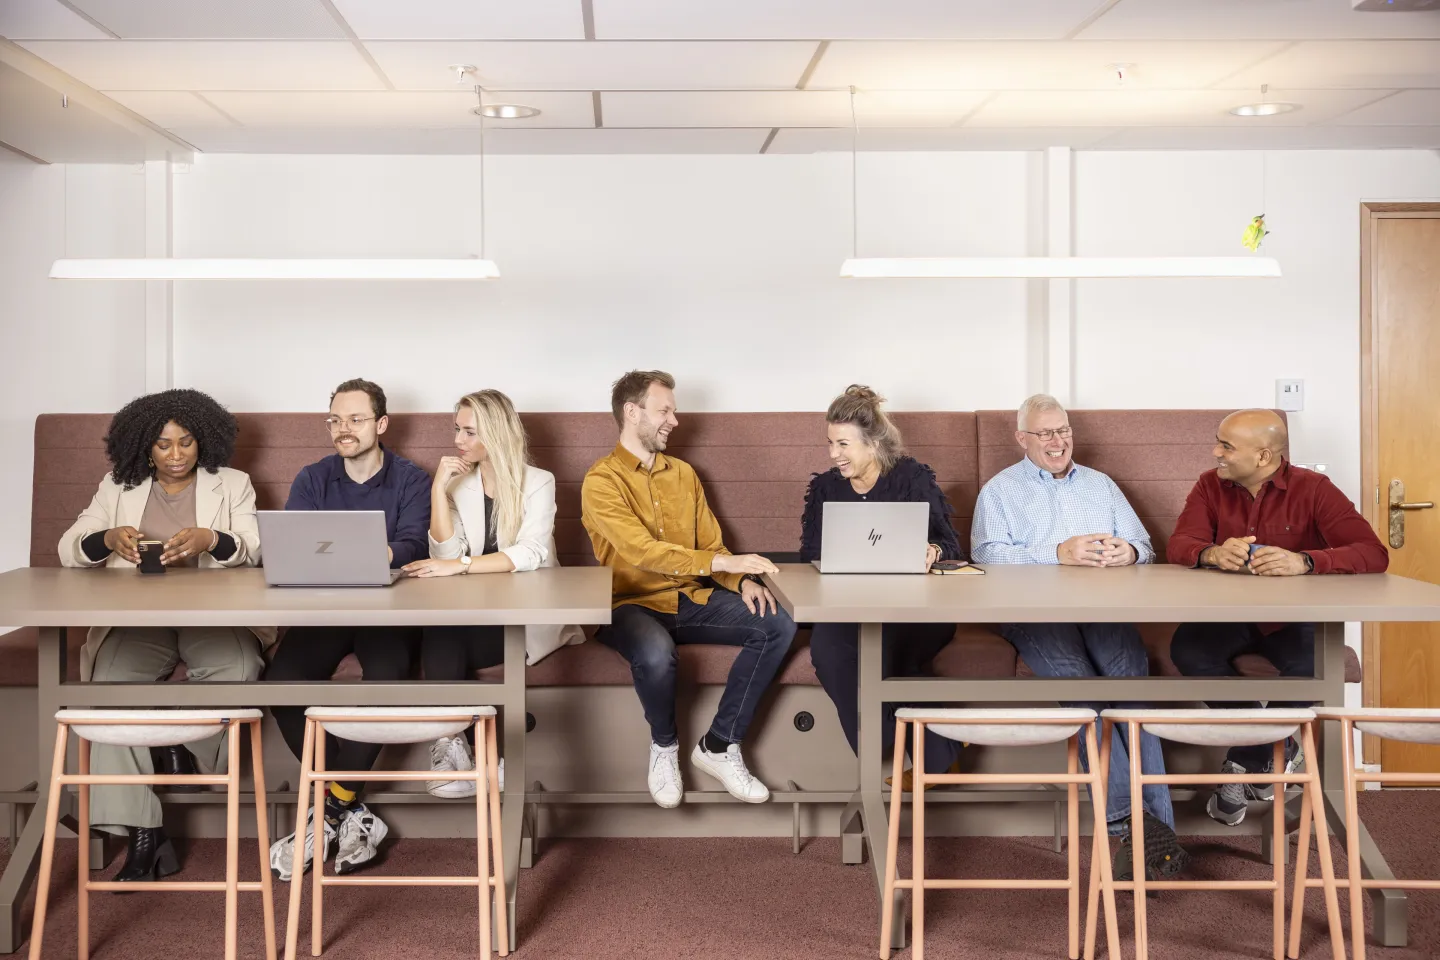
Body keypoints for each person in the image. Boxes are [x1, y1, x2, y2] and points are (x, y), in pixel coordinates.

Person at [971, 394, 1188, 880]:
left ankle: (1152, 831)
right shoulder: (999, 490)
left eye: (1063, 430)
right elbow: (984, 557)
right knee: (1083, 685)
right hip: (1032, 609)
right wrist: (1057, 553)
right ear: (1022, 439)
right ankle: (1132, 826)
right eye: (1045, 433)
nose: (1058, 441)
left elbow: (1146, 547)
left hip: (1103, 604)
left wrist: (1127, 552)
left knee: (1131, 683)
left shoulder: (1101, 485)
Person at [57, 388, 267, 884]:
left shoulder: (233, 483)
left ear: (204, 441)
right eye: (163, 445)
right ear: (144, 447)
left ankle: (182, 753)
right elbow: (69, 547)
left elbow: (254, 550)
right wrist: (107, 538)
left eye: (186, 443)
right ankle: (143, 834)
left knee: (239, 670)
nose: (176, 456)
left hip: (215, 614)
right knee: (105, 687)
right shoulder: (117, 486)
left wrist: (211, 539)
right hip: (137, 615)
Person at [581, 370, 798, 807]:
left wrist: (740, 580)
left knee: (778, 622)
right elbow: (641, 551)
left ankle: (719, 745)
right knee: (656, 653)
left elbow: (711, 547)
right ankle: (664, 747)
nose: (674, 420)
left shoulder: (683, 474)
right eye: (664, 410)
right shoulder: (601, 481)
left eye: (674, 411)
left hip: (692, 598)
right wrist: (723, 563)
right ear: (632, 411)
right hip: (630, 605)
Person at [1168, 409, 1388, 826]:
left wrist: (1305, 561)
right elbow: (1180, 542)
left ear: (1264, 456)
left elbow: (1373, 553)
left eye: (1226, 446)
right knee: (1189, 650)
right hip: (1225, 617)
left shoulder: (1315, 489)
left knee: (1312, 665)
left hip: (1292, 619)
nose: (1216, 452)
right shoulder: (1209, 485)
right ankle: (1277, 750)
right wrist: (1211, 553)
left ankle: (1246, 760)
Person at [267, 379, 431, 880]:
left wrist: (377, 554)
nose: (344, 430)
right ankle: (348, 810)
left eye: (355, 420)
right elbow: (294, 541)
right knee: (280, 683)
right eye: (335, 420)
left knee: (389, 679)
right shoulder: (313, 477)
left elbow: (411, 544)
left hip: (390, 608)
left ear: (381, 424)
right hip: (327, 605)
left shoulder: (410, 478)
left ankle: (331, 807)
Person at [401, 389, 583, 798]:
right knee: (441, 631)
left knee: (445, 637)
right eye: (457, 430)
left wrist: (462, 566)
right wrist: (438, 491)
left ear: (496, 434)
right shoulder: (460, 483)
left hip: (526, 613)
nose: (458, 441)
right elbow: (444, 553)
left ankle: (477, 741)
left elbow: (531, 552)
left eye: (468, 432)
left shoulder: (539, 482)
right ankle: (460, 747)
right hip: (477, 612)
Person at [801, 385, 963, 787]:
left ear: (872, 443)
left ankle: (894, 767)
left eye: (842, 444)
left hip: (913, 613)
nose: (833, 454)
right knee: (827, 650)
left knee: (880, 654)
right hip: (847, 610)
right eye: (830, 443)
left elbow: (951, 546)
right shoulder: (825, 488)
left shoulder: (911, 479)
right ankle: (919, 758)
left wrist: (931, 549)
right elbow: (809, 556)